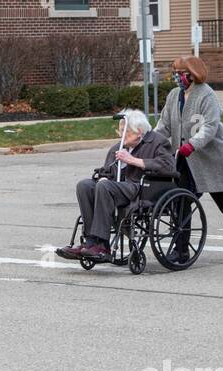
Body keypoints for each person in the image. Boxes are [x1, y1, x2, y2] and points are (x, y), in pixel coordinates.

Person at [155, 55, 223, 261]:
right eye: (175, 74)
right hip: (184, 159)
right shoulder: (174, 96)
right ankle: (181, 250)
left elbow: (210, 127)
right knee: (180, 201)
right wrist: (150, 141)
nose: (177, 78)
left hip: (212, 158)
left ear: (192, 74)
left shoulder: (207, 95)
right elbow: (164, 125)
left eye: (180, 74)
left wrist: (192, 144)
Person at [57, 109, 175, 261]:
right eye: (121, 131)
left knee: (105, 187)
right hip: (116, 188)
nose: (121, 136)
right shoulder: (118, 147)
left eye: (126, 132)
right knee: (85, 185)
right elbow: (107, 170)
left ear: (139, 132)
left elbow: (169, 167)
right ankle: (90, 241)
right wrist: (103, 178)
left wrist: (134, 160)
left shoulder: (158, 141)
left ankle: (103, 246)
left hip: (141, 188)